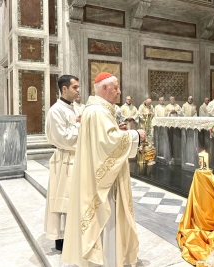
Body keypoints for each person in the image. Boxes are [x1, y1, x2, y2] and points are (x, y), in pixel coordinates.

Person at [62, 72, 146, 267]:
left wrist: (119, 131)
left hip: (97, 173)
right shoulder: (98, 112)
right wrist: (136, 136)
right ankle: (108, 261)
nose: (119, 91)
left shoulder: (95, 109)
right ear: (105, 88)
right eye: (116, 87)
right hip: (105, 184)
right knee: (107, 222)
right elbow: (109, 143)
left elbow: (105, 139)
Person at [44, 74, 81, 251]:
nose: (78, 90)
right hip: (64, 159)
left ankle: (73, 235)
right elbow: (63, 138)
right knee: (62, 200)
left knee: (73, 200)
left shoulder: (75, 108)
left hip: (76, 158)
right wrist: (80, 125)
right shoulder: (55, 110)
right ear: (64, 89)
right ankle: (61, 238)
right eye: (75, 87)